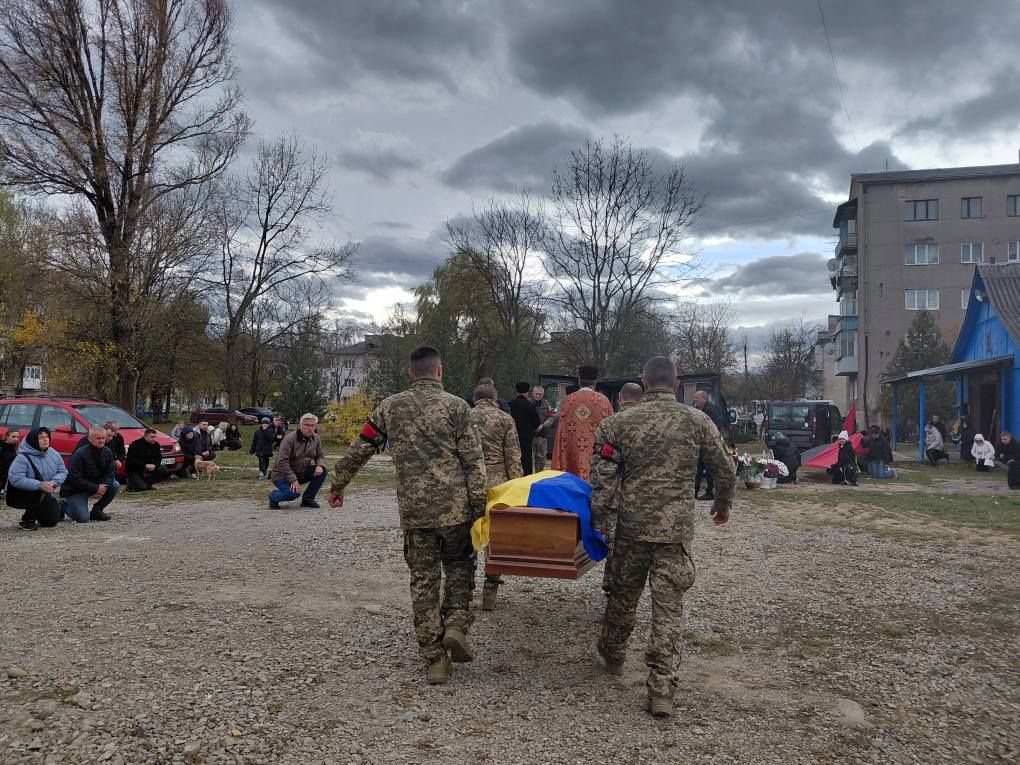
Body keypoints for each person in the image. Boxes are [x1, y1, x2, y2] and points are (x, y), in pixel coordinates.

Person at [327, 346, 487, 686]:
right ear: (439, 371)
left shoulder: (390, 407)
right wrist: (479, 509)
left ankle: (435, 660)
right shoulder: (458, 407)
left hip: (416, 516)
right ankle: (456, 625)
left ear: (410, 373)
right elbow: (474, 463)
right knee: (460, 569)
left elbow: (361, 447)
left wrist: (338, 484)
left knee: (424, 582)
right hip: (455, 511)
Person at [590, 356, 735, 718]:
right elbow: (725, 470)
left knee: (623, 595)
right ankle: (662, 688)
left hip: (632, 527)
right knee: (668, 607)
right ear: (676, 383)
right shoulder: (697, 421)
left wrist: (598, 521)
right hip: (675, 531)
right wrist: (722, 506)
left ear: (643, 380)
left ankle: (613, 654)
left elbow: (604, 484)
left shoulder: (616, 425)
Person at [468, 383, 523, 611]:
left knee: (467, 535)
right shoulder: (505, 420)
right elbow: (513, 457)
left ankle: (465, 590)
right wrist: (517, 487)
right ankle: (490, 592)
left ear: (475, 398)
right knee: (495, 537)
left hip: (468, 482)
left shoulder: (463, 417)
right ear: (495, 398)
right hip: (497, 484)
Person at [601, 382, 644, 595]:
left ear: (620, 398)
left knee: (615, 542)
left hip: (619, 496)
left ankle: (613, 583)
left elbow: (604, 472)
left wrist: (597, 508)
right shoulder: (653, 423)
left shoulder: (611, 424)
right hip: (648, 499)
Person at [551, 364, 613, 480]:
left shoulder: (568, 400)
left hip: (571, 456)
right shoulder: (603, 401)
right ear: (595, 382)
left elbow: (561, 433)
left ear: (579, 381)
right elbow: (611, 432)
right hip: (596, 459)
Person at [6, 427, 66, 529]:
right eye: (41, 437)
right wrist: (40, 485)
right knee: (42, 493)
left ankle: (56, 506)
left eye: (47, 437)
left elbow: (63, 472)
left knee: (50, 522)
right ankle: (28, 519)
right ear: (33, 440)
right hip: (24, 493)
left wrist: (53, 482)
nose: (45, 439)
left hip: (47, 491)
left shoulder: (54, 453)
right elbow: (15, 478)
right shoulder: (23, 457)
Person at [268, 413, 328, 509]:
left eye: (312, 425)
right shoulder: (289, 439)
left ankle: (308, 499)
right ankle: (273, 496)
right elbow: (282, 462)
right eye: (307, 425)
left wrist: (319, 465)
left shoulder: (316, 438)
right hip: (281, 475)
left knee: (323, 471)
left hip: (301, 473)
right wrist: (293, 479)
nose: (310, 428)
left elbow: (320, 455)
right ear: (300, 426)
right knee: (293, 494)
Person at [60, 426, 119, 522]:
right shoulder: (80, 454)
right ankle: (62, 506)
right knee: (83, 518)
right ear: (90, 439)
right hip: (75, 489)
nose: (101, 441)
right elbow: (74, 478)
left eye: (103, 438)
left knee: (115, 485)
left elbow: (110, 473)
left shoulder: (108, 452)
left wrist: (103, 488)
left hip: (94, 485)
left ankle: (97, 510)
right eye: (98, 438)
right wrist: (96, 488)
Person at [692, 391, 728, 500]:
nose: (695, 400)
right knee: (698, 469)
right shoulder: (701, 409)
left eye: (697, 398)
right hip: (702, 444)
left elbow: (716, 426)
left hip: (709, 444)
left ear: (704, 398)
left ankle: (710, 492)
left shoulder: (710, 410)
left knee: (709, 469)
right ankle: (694, 491)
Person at [509, 381, 541, 475]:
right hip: (526, 439)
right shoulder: (529, 405)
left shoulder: (510, 404)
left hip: (512, 437)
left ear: (517, 392)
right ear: (527, 393)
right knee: (526, 460)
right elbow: (536, 423)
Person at [531, 386, 552, 472]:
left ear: (543, 394)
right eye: (537, 394)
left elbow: (551, 418)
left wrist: (543, 425)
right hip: (530, 436)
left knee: (541, 459)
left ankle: (538, 476)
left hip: (542, 436)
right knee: (529, 459)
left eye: (540, 394)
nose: (538, 396)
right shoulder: (528, 403)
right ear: (533, 393)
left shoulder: (546, 404)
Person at [0, 428, 21, 498]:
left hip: (10, 475)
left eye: (17, 437)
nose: (16, 439)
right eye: (13, 436)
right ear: (6, 436)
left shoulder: (17, 448)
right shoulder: (2, 447)